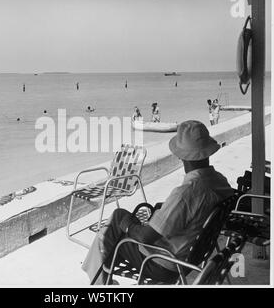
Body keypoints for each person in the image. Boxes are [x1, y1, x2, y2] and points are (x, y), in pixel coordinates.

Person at [82, 120, 234, 285]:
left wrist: (128, 226)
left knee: (115, 224)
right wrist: (165, 210)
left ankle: (98, 282)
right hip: (191, 256)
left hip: (163, 263)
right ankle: (101, 277)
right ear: (207, 151)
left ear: (180, 155)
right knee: (116, 228)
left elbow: (146, 237)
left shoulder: (187, 193)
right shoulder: (220, 182)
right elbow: (194, 210)